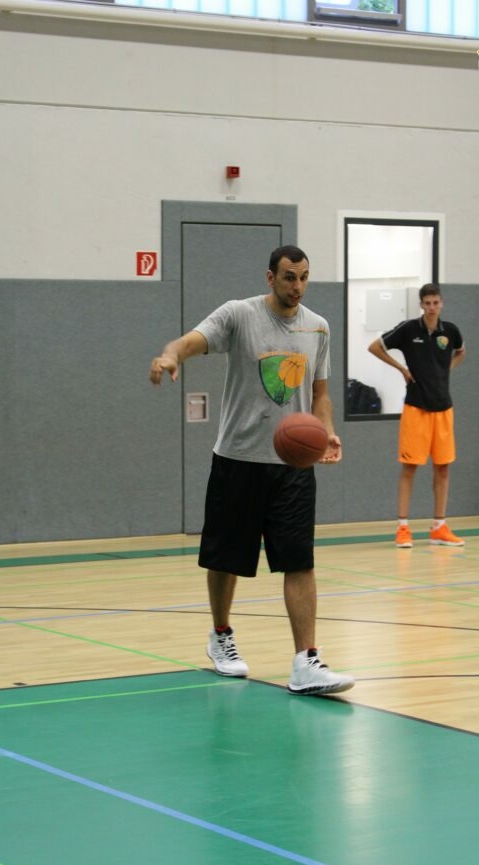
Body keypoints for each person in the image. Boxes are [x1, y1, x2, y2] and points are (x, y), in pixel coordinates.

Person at [149, 245, 354, 696]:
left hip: (292, 468)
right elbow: (189, 342)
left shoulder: (318, 327)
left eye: (303, 277)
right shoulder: (238, 315)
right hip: (238, 460)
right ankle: (221, 635)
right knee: (226, 560)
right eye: (289, 277)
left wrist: (327, 432)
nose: (297, 286)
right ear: (270, 277)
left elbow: (320, 393)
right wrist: (171, 356)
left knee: (299, 561)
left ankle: (306, 661)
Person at [368, 283, 466, 548]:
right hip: (416, 409)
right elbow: (375, 347)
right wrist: (401, 369)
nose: (432, 307)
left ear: (441, 303)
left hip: (443, 409)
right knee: (409, 467)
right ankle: (403, 527)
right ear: (421, 305)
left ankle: (439, 527)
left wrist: (446, 370)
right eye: (427, 303)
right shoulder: (408, 329)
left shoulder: (451, 331)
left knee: (443, 467)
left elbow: (461, 351)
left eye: (436, 302)